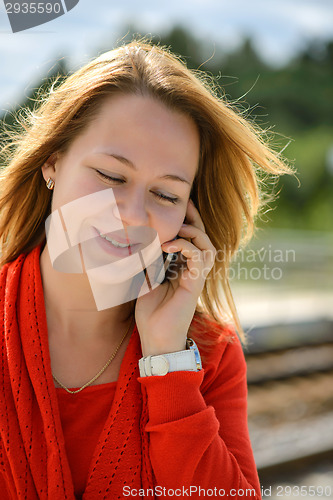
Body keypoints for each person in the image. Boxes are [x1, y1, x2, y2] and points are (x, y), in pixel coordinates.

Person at [0, 40, 290, 499]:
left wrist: (166, 359)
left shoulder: (207, 354)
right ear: (52, 161)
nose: (133, 214)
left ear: (188, 218)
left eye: (166, 195)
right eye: (111, 176)